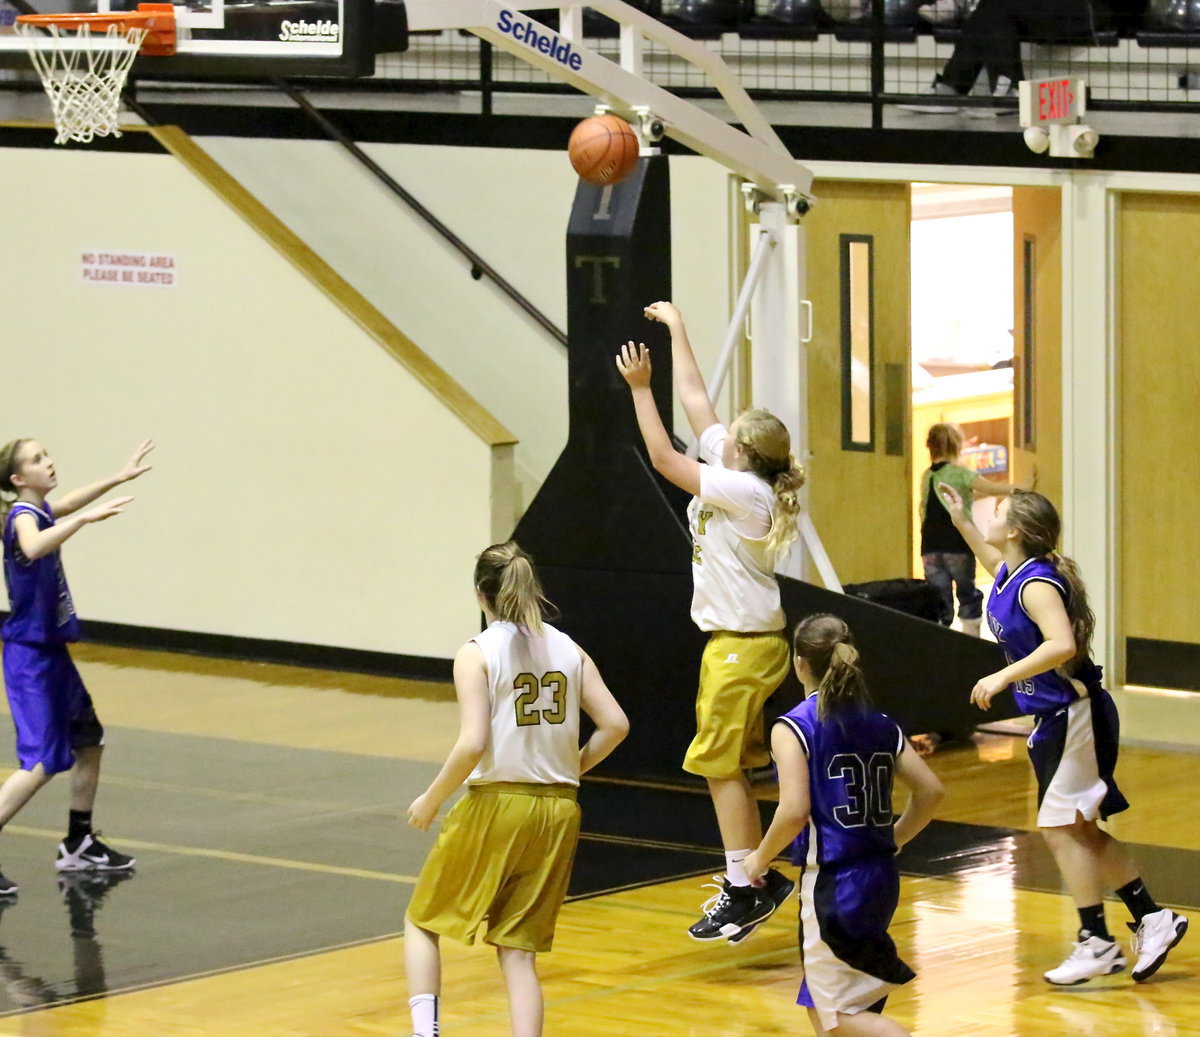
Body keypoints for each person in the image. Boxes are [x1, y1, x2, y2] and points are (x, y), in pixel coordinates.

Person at [939, 485, 1188, 984]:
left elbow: (1062, 643)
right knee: (1078, 829)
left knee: (1060, 829)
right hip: (1056, 718)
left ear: (1015, 530)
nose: (992, 515)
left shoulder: (1037, 584)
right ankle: (1150, 918)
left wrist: (1002, 676)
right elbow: (988, 556)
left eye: (998, 511)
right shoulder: (1012, 573)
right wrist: (961, 516)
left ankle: (1096, 940)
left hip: (1075, 715)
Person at [615, 301, 807, 944]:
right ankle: (753, 877)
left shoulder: (745, 492)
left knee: (716, 765)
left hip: (743, 646)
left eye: (731, 436)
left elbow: (667, 463)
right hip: (739, 642)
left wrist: (641, 392)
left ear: (745, 452)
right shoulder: (736, 468)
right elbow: (697, 397)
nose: (718, 432)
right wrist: (677, 329)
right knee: (731, 764)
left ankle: (744, 884)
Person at [403, 541, 628, 1037]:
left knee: (422, 922)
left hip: (497, 802)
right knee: (518, 950)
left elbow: (472, 742)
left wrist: (432, 798)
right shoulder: (569, 648)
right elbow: (615, 724)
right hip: (560, 808)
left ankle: (426, 1033)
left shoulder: (477, 652)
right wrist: (571, 768)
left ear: (480, 595)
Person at [743, 613, 944, 1037]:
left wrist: (758, 859)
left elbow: (795, 809)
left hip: (833, 884)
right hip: (881, 877)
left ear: (798, 663)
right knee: (828, 1004)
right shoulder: (881, 723)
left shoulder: (795, 726)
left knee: (838, 1019)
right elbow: (930, 793)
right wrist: (895, 839)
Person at [0, 438, 153, 894]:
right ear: (17, 479)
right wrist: (84, 521)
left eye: (47, 455)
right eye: (37, 460)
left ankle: (79, 842)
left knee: (90, 740)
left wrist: (117, 477)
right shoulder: (23, 517)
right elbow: (34, 544)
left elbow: (62, 505)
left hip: (51, 654)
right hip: (31, 660)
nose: (49, 462)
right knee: (42, 762)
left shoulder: (39, 507)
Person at [900, 0, 1098, 116]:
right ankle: (1005, 90)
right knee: (990, 11)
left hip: (1085, 12)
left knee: (992, 7)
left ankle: (952, 90)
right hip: (1047, 10)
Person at [918, 422, 1017, 637]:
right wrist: (1020, 488)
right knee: (967, 593)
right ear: (956, 446)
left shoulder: (927, 476)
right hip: (957, 544)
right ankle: (971, 639)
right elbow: (990, 488)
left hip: (930, 546)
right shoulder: (960, 473)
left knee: (939, 597)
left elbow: (928, 507)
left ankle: (940, 640)